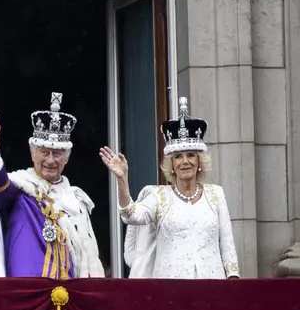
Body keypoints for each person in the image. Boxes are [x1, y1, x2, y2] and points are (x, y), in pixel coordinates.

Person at [99, 97, 240, 279]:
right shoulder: (158, 196)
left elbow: (227, 244)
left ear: (199, 162)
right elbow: (131, 215)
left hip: (212, 287)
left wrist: (233, 279)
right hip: (169, 289)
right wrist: (122, 180)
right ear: (171, 164)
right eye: (178, 157)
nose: (185, 161)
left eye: (191, 155)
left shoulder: (216, 194)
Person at [0, 92, 104, 279]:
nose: (50, 160)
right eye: (44, 152)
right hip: (28, 293)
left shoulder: (76, 201)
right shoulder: (20, 190)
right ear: (33, 154)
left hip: (69, 292)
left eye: (57, 153)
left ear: (66, 159)